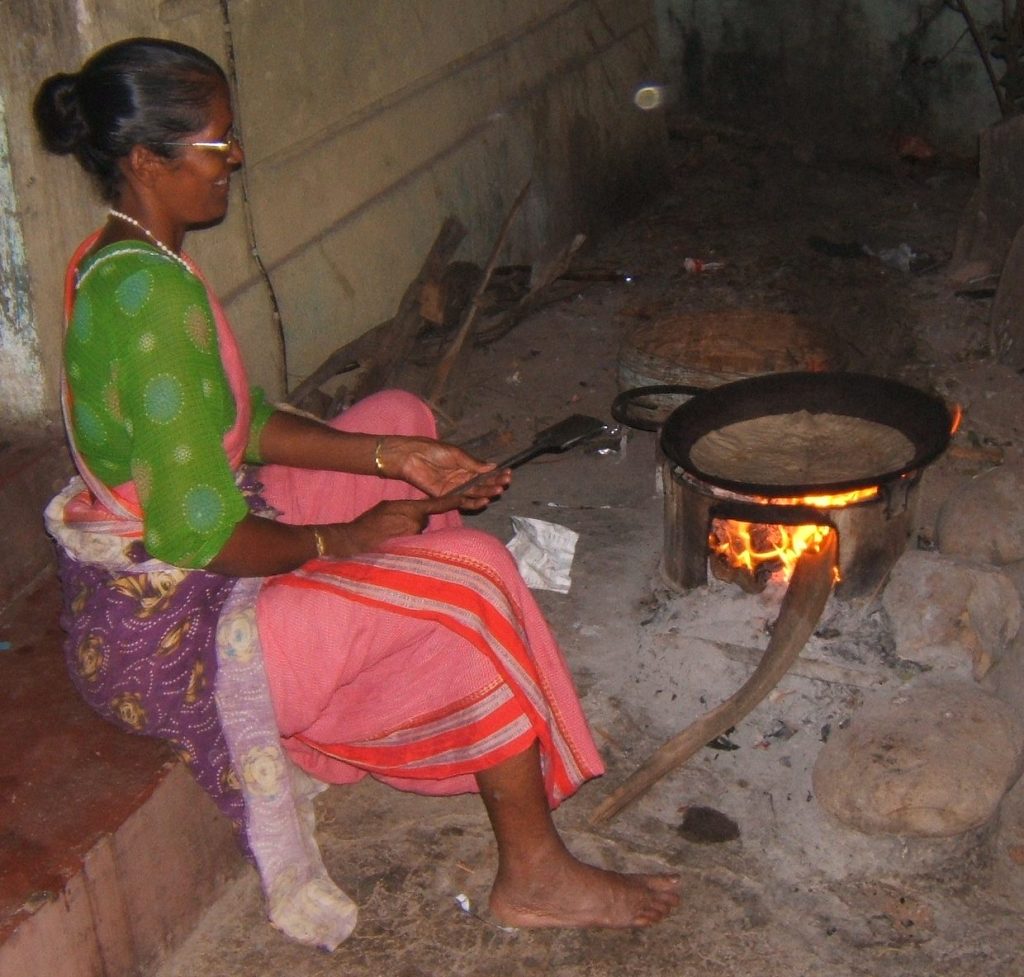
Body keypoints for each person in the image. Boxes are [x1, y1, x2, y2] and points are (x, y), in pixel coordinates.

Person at [33, 36, 679, 947]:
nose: (236, 159)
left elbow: (243, 425)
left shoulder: (132, 256)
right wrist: (348, 541)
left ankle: (387, 668)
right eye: (217, 145)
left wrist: (390, 460)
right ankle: (533, 870)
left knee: (402, 412)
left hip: (200, 567)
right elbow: (196, 535)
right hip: (181, 634)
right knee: (473, 576)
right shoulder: (145, 301)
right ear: (147, 160)